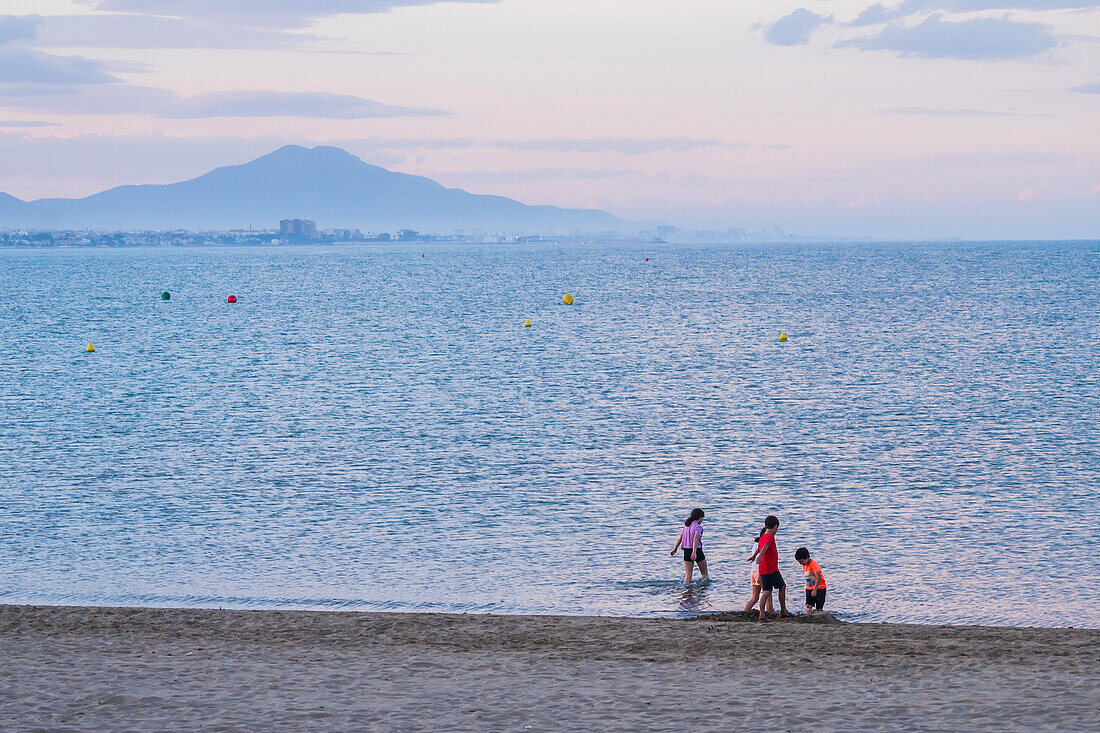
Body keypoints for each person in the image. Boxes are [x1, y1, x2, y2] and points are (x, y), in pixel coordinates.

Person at [748, 515, 788, 620]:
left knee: (766, 591)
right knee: (782, 587)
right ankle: (783, 610)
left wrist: (754, 555)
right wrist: (760, 556)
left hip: (763, 569)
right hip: (771, 569)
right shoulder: (770, 536)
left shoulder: (762, 537)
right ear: (775, 527)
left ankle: (762, 614)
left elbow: (761, 546)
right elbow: (765, 547)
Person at [670, 508, 708, 584]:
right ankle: (703, 591)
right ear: (700, 517)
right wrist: (694, 552)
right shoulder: (698, 527)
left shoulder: (686, 526)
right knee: (704, 574)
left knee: (688, 574)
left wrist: (675, 549)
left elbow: (680, 538)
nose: (702, 521)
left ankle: (686, 590)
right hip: (697, 550)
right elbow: (695, 539)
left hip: (686, 551)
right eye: (702, 519)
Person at [795, 547, 827, 614]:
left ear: (807, 557)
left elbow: (819, 578)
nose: (801, 563)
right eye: (799, 562)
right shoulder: (804, 565)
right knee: (808, 605)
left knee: (819, 608)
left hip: (820, 588)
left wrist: (815, 590)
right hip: (809, 588)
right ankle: (809, 617)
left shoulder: (813, 564)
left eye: (801, 561)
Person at [743, 529, 768, 613]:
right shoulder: (763, 545)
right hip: (760, 572)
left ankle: (745, 612)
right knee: (767, 595)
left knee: (754, 598)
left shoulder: (755, 545)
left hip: (753, 573)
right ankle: (769, 611)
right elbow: (763, 560)